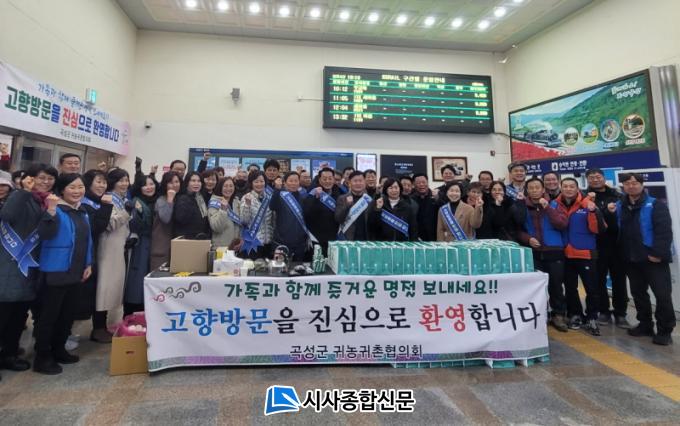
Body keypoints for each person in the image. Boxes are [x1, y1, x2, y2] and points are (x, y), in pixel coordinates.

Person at [0, 165, 59, 378]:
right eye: (41, 178)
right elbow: (7, 215)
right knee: (3, 314)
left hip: (29, 267)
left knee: (18, 316)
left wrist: (51, 211)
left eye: (50, 178)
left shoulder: (45, 202)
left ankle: (9, 354)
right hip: (8, 264)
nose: (45, 182)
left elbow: (47, 234)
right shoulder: (18, 197)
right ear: (28, 179)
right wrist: (24, 191)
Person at [33, 173, 93, 375]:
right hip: (55, 271)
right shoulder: (55, 209)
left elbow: (87, 241)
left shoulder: (82, 211)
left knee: (67, 315)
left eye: (80, 187)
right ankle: (42, 357)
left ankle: (59, 350)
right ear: (62, 190)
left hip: (76, 271)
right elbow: (45, 234)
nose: (77, 191)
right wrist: (50, 210)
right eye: (72, 187)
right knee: (49, 316)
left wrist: (88, 263)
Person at [611, 173, 674, 345]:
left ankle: (665, 330)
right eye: (627, 183)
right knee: (638, 294)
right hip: (631, 259)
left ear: (642, 185)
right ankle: (645, 324)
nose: (631, 186)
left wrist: (658, 254)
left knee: (662, 295)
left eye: (635, 183)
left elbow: (664, 231)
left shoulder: (655, 205)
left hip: (653, 258)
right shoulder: (620, 205)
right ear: (623, 186)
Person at [511, 177, 569, 332]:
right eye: (531, 188)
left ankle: (558, 314)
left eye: (537, 187)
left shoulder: (555, 204)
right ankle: (539, 314)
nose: (534, 190)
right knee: (536, 287)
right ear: (527, 190)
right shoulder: (522, 206)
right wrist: (528, 239)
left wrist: (547, 208)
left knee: (556, 285)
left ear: (543, 189)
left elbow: (562, 224)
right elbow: (518, 229)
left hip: (554, 251)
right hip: (534, 253)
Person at [555, 177, 606, 335]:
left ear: (577, 189)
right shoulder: (555, 204)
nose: (568, 189)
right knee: (570, 288)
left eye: (572, 186)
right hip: (565, 253)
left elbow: (599, 229)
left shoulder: (587, 204)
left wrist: (593, 211)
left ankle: (592, 317)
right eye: (565, 186)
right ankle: (575, 314)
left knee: (591, 288)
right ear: (561, 188)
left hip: (585, 253)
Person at [72, 170, 113, 346]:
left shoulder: (97, 202)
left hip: (96, 254)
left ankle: (94, 329)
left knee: (93, 293)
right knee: (79, 296)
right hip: (83, 257)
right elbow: (97, 228)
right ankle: (68, 334)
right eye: (98, 182)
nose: (102, 185)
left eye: (104, 182)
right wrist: (106, 207)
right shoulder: (84, 204)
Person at [585, 168, 629, 328]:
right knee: (598, 280)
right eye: (591, 177)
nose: (595, 180)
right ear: (587, 180)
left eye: (598, 177)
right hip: (596, 245)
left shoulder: (618, 195)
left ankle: (620, 313)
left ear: (603, 178)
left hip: (617, 245)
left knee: (619, 280)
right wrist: (605, 211)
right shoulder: (584, 197)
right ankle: (603, 311)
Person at [94, 168, 132, 343]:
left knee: (112, 288)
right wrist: (127, 212)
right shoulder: (108, 199)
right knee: (104, 288)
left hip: (119, 246)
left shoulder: (122, 199)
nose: (124, 184)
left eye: (126, 180)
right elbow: (110, 224)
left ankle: (103, 326)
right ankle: (98, 327)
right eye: (121, 180)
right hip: (108, 247)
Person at [123, 173, 158, 317]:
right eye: (145, 185)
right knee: (136, 279)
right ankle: (131, 314)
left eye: (151, 184)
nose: (149, 187)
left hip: (153, 244)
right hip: (140, 244)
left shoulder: (157, 200)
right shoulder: (135, 202)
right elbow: (134, 224)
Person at [269, 172, 315, 261]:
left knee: (298, 267)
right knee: (280, 267)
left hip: (300, 243)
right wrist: (277, 189)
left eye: (296, 181)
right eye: (291, 181)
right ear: (285, 183)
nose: (293, 183)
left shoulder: (303, 197)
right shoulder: (280, 195)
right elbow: (272, 206)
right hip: (282, 241)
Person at [304, 167, 341, 255]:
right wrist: (315, 199)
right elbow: (306, 213)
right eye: (324, 179)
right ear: (319, 180)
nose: (327, 181)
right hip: (316, 238)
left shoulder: (339, 193)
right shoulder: (312, 193)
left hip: (333, 238)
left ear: (334, 180)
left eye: (330, 178)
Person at [240, 171, 275, 259]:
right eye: (256, 182)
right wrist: (247, 205)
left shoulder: (270, 197)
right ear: (251, 183)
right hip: (253, 242)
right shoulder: (246, 197)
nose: (259, 184)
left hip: (269, 241)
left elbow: (273, 221)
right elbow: (244, 221)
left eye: (262, 181)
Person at [150, 172, 181, 270]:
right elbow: (166, 218)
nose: (174, 185)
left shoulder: (181, 199)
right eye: (171, 182)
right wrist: (170, 200)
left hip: (176, 247)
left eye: (177, 182)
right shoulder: (161, 200)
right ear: (165, 184)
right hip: (161, 248)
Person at [336, 171, 374, 241]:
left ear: (365, 182)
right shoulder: (342, 198)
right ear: (350, 183)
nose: (358, 183)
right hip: (347, 239)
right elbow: (338, 219)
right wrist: (347, 206)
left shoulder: (369, 199)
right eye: (355, 181)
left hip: (366, 239)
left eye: (360, 181)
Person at [173, 171, 210, 239]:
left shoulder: (200, 197)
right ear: (187, 182)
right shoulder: (183, 198)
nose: (196, 183)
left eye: (199, 181)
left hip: (200, 237)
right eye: (193, 181)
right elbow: (181, 219)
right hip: (187, 238)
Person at [208, 177, 242, 249]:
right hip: (220, 248)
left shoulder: (237, 202)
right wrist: (223, 210)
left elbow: (241, 224)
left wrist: (240, 239)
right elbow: (216, 227)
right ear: (220, 187)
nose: (228, 189)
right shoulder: (214, 203)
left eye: (231, 186)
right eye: (225, 186)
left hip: (235, 247)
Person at [411, 173, 438, 241]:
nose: (421, 184)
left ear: (427, 182)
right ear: (414, 185)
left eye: (424, 182)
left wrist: (438, 199)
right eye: (418, 183)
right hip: (417, 237)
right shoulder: (410, 200)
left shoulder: (436, 197)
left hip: (435, 236)